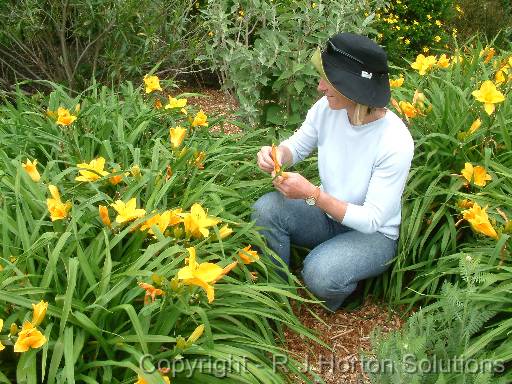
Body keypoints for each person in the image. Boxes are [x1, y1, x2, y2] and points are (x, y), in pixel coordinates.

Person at [251, 32, 414, 311]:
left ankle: (341, 291)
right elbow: (298, 146)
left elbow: (372, 220)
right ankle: (276, 296)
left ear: (354, 89)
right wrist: (276, 155)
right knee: (266, 209)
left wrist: (312, 194)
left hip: (373, 237)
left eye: (330, 80)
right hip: (327, 215)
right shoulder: (327, 109)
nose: (320, 87)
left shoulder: (395, 141)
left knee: (319, 274)